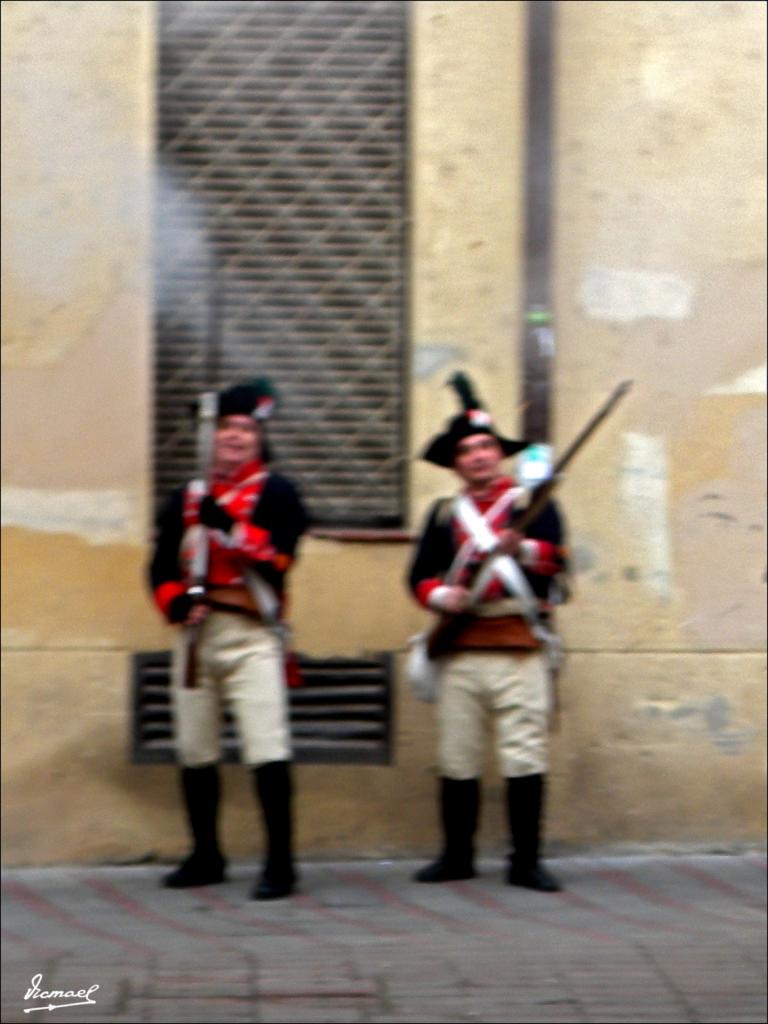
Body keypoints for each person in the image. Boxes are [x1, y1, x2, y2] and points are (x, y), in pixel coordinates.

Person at [407, 372, 568, 892]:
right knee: (457, 755)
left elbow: (559, 562)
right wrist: (442, 597)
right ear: (455, 464)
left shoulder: (530, 506)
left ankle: (526, 860)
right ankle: (457, 855)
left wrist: (523, 549)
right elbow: (419, 576)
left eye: (485, 447)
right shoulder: (443, 514)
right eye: (467, 451)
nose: (478, 456)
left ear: (499, 453)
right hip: (461, 645)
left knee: (525, 754)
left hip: (519, 641)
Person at [149, 378, 308, 900]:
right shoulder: (186, 498)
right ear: (209, 437)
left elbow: (280, 560)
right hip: (198, 636)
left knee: (267, 747)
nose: (236, 437)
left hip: (251, 632)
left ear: (259, 438)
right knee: (195, 748)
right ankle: (205, 855)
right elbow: (159, 567)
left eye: (245, 429)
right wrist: (177, 603)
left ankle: (280, 864)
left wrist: (230, 529)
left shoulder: (277, 493)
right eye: (225, 428)